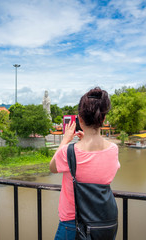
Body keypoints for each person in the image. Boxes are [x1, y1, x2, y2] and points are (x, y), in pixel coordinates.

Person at [50, 87, 120, 240]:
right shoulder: (114, 149)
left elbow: (52, 167)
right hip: (103, 222)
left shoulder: (68, 152)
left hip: (72, 222)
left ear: (80, 119)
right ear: (102, 119)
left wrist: (65, 140)